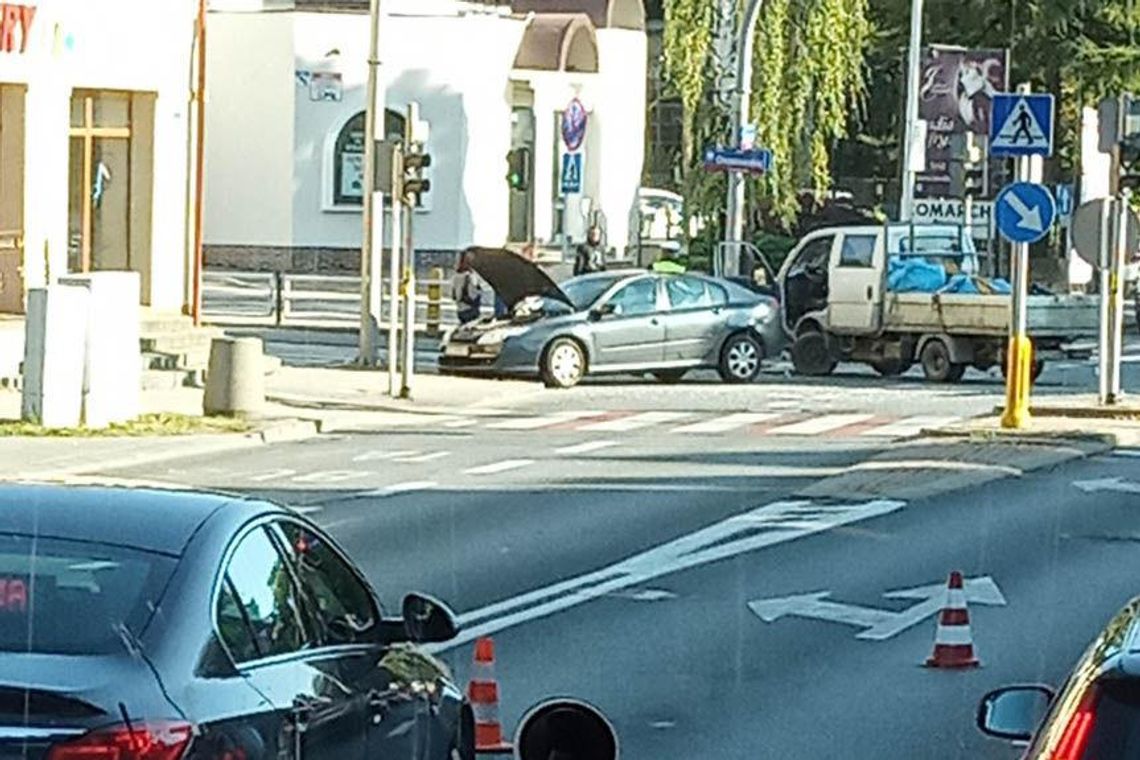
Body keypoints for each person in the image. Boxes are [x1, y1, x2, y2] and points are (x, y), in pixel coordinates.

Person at [451, 251, 482, 324]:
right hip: (470, 309)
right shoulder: (470, 276)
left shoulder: (455, 277)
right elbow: (476, 292)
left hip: (460, 310)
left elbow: (454, 296)